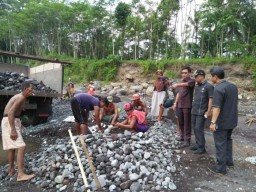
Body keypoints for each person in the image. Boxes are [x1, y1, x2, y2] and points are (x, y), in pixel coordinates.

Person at [1, 82, 35, 181]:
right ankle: (20, 175)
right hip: (9, 122)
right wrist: (13, 130)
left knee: (12, 148)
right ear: (24, 89)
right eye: (28, 90)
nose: (30, 92)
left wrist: (18, 124)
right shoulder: (21, 97)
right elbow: (11, 113)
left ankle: (11, 171)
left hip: (10, 121)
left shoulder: (20, 97)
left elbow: (13, 113)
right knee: (22, 146)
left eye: (32, 90)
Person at [208, 66, 238, 175]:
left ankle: (220, 168)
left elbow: (216, 107)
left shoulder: (218, 88)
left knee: (220, 143)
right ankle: (229, 161)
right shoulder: (233, 86)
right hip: (232, 121)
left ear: (215, 77)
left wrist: (213, 122)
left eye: (211, 76)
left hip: (222, 122)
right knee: (228, 141)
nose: (210, 78)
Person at [190, 70, 214, 154]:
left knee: (198, 128)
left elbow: (211, 99)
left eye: (196, 77)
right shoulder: (197, 86)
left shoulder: (209, 86)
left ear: (201, 76)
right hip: (194, 110)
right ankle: (198, 144)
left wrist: (209, 110)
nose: (195, 78)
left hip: (202, 111)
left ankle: (201, 147)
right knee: (194, 128)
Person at [172, 66, 195, 148]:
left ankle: (187, 140)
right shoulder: (181, 82)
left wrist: (177, 84)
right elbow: (178, 93)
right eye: (182, 73)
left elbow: (187, 84)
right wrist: (175, 103)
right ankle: (182, 136)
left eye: (185, 73)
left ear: (189, 73)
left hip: (187, 105)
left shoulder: (191, 81)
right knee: (181, 121)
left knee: (187, 123)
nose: (183, 74)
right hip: (180, 105)